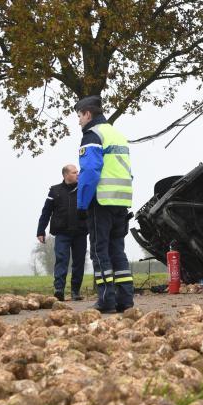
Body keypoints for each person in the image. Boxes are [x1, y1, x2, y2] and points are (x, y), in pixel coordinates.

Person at [75, 94, 134, 313]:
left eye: (80, 116)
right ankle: (125, 300)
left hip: (101, 201)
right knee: (118, 251)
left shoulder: (92, 135)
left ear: (88, 114)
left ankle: (106, 301)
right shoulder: (117, 134)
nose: (79, 121)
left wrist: (82, 204)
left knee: (100, 252)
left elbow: (89, 171)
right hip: (121, 200)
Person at [36, 165, 88, 301]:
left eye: (78, 172)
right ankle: (59, 290)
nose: (78, 174)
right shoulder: (55, 191)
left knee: (79, 262)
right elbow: (46, 211)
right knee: (61, 261)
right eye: (74, 172)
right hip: (62, 233)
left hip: (80, 232)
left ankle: (75, 291)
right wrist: (40, 230)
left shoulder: (83, 189)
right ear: (66, 175)